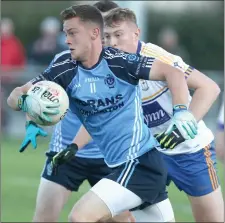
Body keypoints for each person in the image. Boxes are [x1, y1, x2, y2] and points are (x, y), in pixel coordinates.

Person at [7, 4, 198, 222]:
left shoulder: (120, 62)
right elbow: (17, 94)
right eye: (65, 33)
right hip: (119, 165)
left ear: (94, 33)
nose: (67, 40)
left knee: (80, 217)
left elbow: (172, 72)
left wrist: (181, 112)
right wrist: (24, 102)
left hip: (139, 162)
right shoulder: (64, 68)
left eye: (72, 33)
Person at [103, 7, 224, 222]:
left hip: (191, 151)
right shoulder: (105, 67)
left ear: (136, 33)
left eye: (118, 35)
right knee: (108, 213)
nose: (112, 42)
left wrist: (185, 123)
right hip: (148, 154)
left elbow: (209, 87)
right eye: (107, 36)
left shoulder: (158, 57)